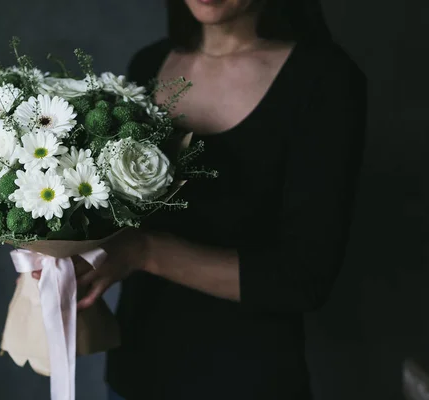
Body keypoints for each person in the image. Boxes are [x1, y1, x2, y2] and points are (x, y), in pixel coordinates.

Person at [35, 0, 367, 398]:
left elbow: (303, 280)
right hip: (135, 374)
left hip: (246, 380)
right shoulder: (148, 64)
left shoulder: (325, 78)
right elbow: (114, 215)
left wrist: (145, 251)